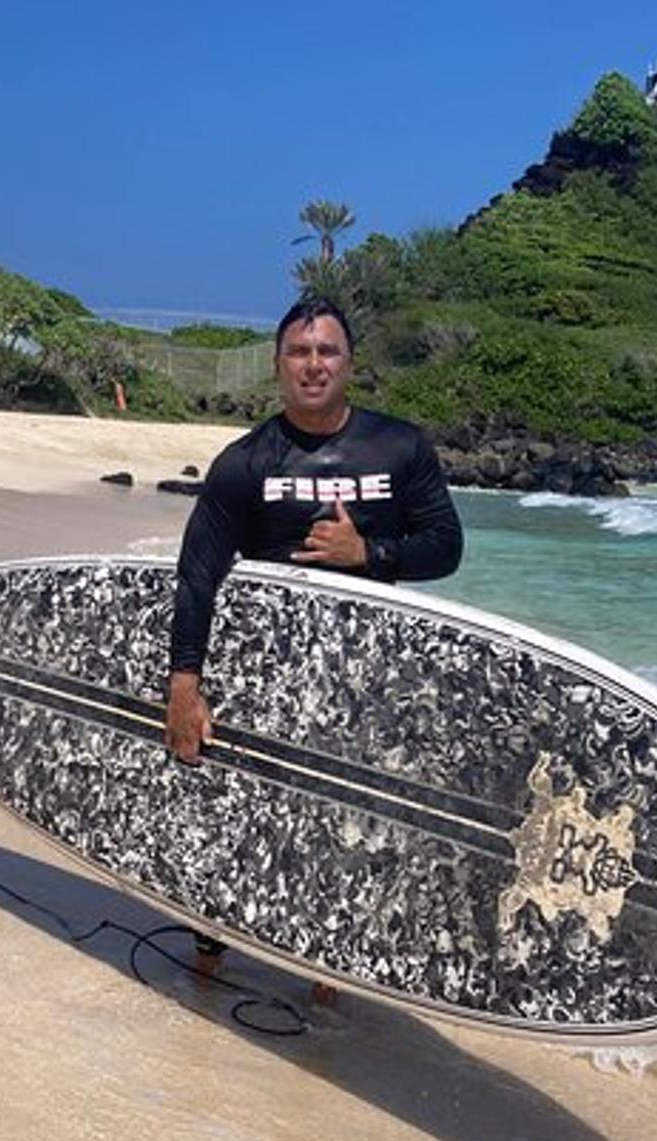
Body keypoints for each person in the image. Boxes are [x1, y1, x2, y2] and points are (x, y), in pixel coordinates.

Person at [162, 294, 465, 983]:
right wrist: (185, 683)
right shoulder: (245, 463)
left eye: (327, 351)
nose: (313, 364)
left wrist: (369, 554)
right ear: (278, 366)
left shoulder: (400, 446)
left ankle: (328, 969)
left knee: (344, 822)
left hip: (367, 676)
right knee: (239, 808)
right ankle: (211, 944)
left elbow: (446, 547)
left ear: (350, 363)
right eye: (299, 352)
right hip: (267, 673)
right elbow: (198, 574)